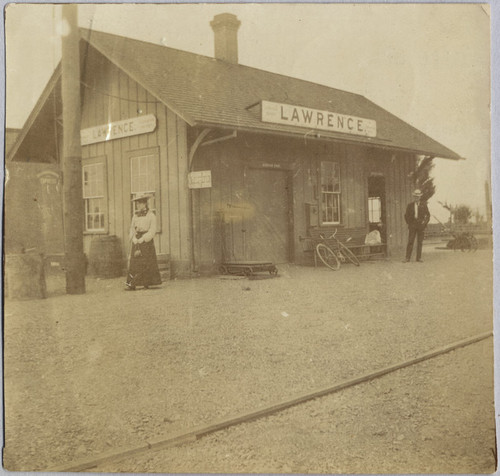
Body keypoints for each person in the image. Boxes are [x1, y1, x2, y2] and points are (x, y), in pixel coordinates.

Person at [125, 193, 162, 290]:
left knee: (147, 261)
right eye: (137, 204)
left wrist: (144, 239)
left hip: (146, 242)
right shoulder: (135, 216)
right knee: (134, 262)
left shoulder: (151, 216)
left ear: (145, 204)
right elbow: (132, 228)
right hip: (136, 240)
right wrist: (133, 238)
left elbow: (153, 230)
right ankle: (132, 284)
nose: (139, 205)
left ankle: (147, 282)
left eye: (141, 203)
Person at [403, 188, 430, 263]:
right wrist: (409, 223)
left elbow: (428, 215)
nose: (416, 198)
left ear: (420, 197)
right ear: (413, 197)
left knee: (420, 242)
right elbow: (406, 215)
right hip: (413, 225)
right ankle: (407, 258)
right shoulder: (410, 205)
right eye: (415, 196)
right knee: (410, 241)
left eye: (418, 196)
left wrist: (424, 223)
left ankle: (419, 258)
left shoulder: (424, 205)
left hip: (421, 225)